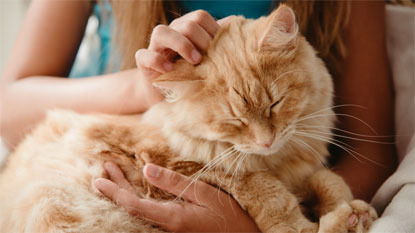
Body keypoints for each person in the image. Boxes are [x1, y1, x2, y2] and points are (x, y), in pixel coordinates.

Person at [0, 0, 397, 232]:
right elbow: (9, 106)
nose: (263, 138)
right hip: (99, 141)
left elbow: (371, 150)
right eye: (241, 121)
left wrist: (246, 225)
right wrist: (145, 89)